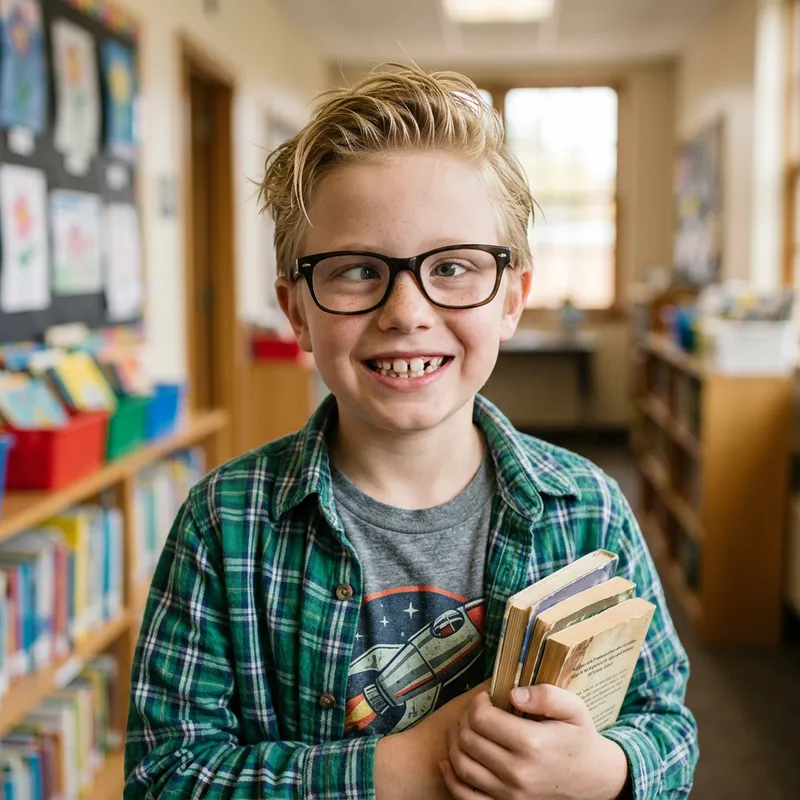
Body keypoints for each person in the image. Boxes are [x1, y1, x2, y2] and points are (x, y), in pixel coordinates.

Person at [124, 65, 698, 799]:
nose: (406, 311)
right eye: (358, 270)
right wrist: (393, 770)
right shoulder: (222, 525)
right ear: (296, 310)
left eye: (453, 266)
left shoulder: (590, 508)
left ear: (512, 299)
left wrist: (608, 771)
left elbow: (667, 725)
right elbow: (161, 776)